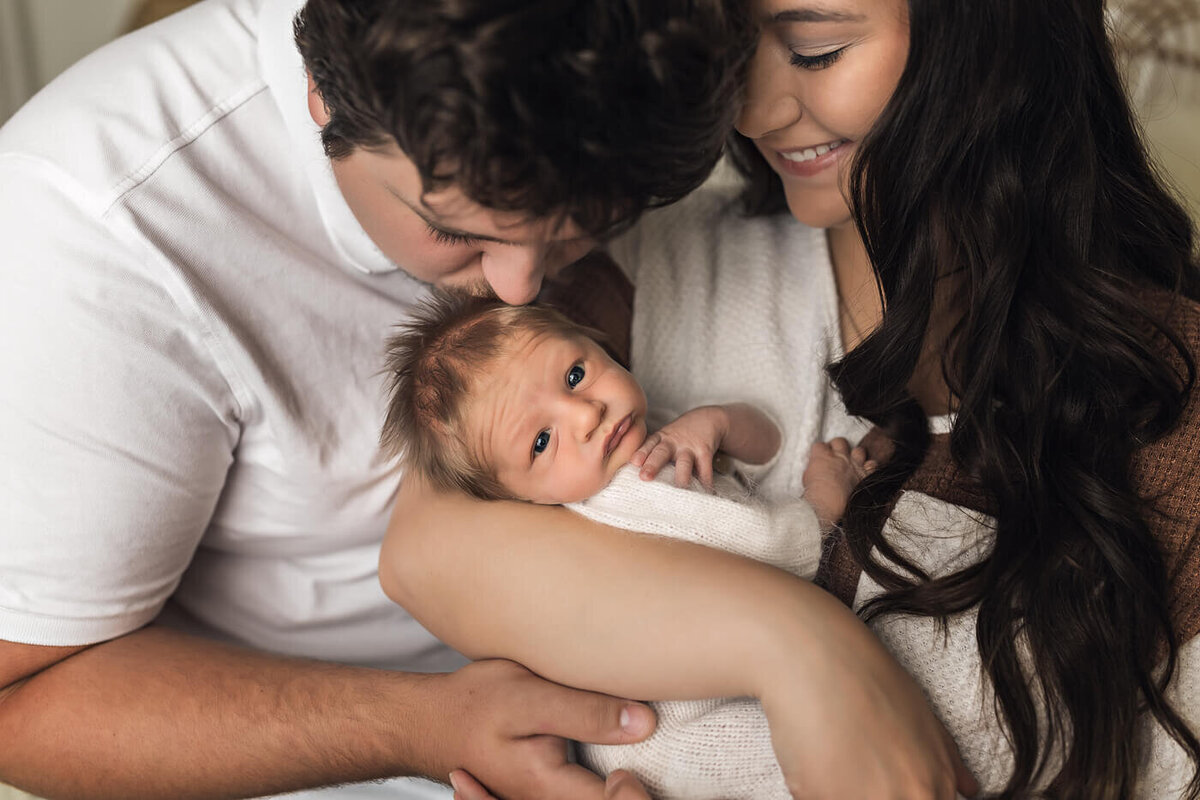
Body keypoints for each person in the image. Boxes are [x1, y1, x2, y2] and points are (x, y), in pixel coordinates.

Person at [0, 0, 973, 798]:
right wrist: (433, 724)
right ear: (317, 95)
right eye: (452, 229)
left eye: (582, 228)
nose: (519, 288)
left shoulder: (641, 68)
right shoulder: (91, 238)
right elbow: (20, 702)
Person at [384, 0, 1200, 799]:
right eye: (738, 48)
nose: (755, 112)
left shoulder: (1165, 398)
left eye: (814, 51)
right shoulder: (639, 280)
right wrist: (804, 647)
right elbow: (422, 553)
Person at [381, 289, 874, 798]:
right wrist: (825, 498)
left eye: (574, 375)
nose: (584, 415)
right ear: (517, 499)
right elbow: (778, 555)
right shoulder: (636, 484)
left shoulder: (628, 447)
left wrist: (718, 422)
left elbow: (765, 447)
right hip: (677, 739)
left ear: (595, 342)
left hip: (629, 743)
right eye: (541, 442)